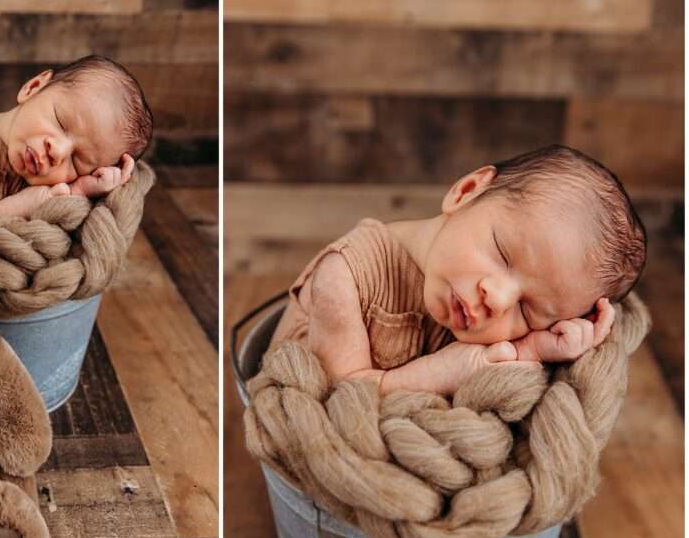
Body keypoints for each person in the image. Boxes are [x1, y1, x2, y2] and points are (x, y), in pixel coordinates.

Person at [269, 145, 647, 395]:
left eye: (527, 312)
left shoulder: (475, 313)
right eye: (502, 254)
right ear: (466, 191)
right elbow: (341, 403)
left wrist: (535, 347)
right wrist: (446, 371)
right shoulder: (344, 277)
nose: (498, 299)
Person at [0, 55, 153, 219]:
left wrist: (80, 190)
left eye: (76, 163)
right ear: (33, 88)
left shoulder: (44, 183)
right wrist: (32, 202)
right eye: (60, 121)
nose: (58, 151)